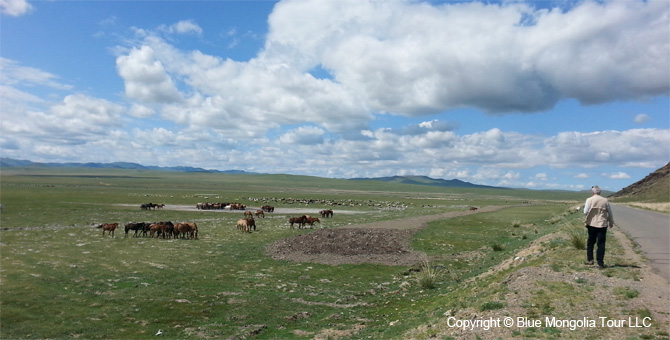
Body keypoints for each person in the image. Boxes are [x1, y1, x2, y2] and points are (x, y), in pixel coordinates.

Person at [583, 185, 614, 268]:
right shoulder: (605, 200)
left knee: (590, 242)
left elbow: (585, 211)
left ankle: (590, 259)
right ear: (600, 192)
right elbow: (610, 213)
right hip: (602, 224)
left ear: (592, 192)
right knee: (601, 244)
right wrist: (611, 222)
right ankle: (600, 262)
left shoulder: (589, 200)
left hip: (592, 224)